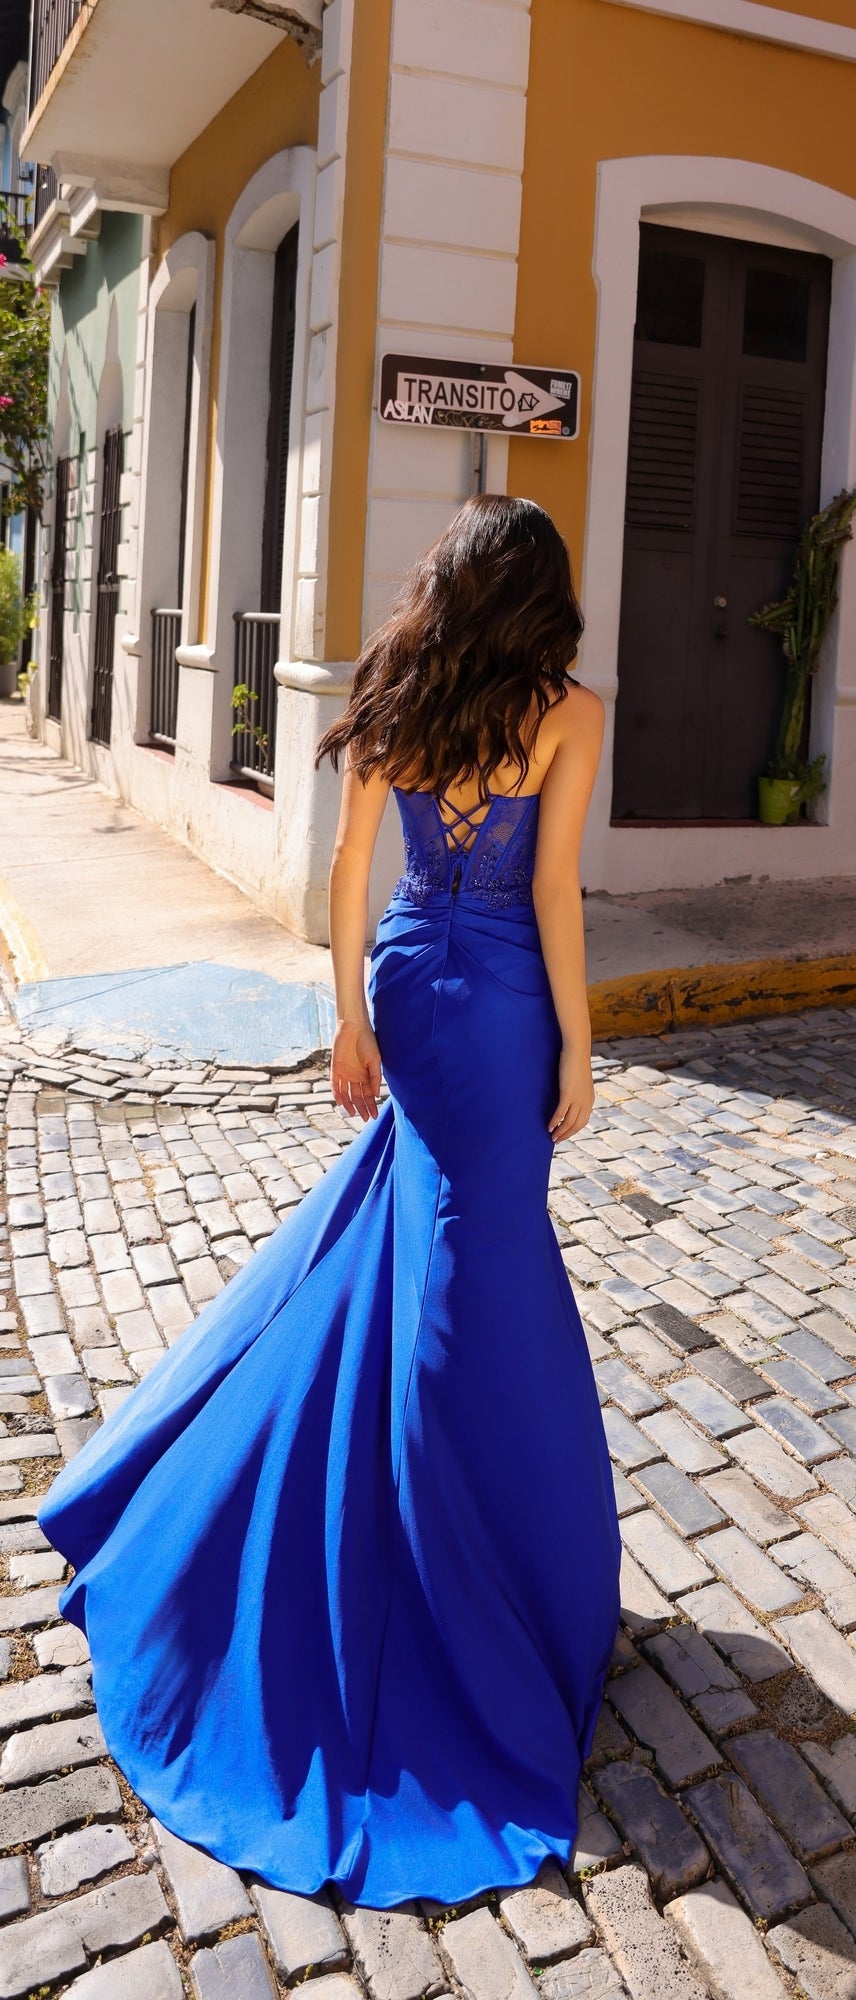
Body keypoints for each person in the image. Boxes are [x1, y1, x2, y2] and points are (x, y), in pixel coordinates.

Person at [38, 494, 622, 1909]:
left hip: (415, 984)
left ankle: (425, 1525)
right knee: (485, 1275)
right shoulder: (571, 712)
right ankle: (458, 1573)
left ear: (448, 585)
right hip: (497, 1008)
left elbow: (354, 870)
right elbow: (551, 894)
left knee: (429, 1245)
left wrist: (353, 1016)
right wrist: (582, 1042)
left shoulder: (399, 690)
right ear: (541, 598)